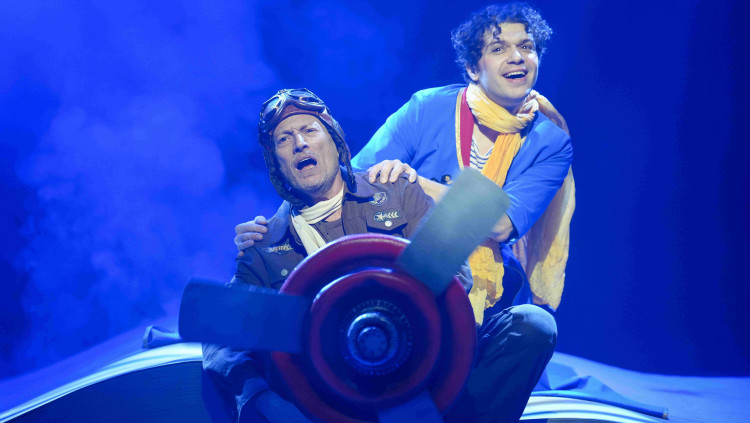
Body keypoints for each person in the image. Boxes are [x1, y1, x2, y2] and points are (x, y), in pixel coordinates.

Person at [204, 88, 556, 423]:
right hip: (334, 399)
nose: (299, 143)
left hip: (423, 371)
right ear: (277, 163)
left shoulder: (396, 189)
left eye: (309, 130)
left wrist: (398, 294)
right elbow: (221, 336)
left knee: (532, 325)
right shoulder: (264, 247)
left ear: (334, 141)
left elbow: (458, 279)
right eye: (284, 139)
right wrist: (260, 399)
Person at [234, 2, 575, 325]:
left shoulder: (552, 142)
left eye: (527, 47)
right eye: (499, 48)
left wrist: (415, 183)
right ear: (473, 68)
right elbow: (341, 176)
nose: (517, 57)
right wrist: (273, 232)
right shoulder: (427, 108)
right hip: (404, 273)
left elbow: (501, 224)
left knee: (536, 326)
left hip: (490, 288)